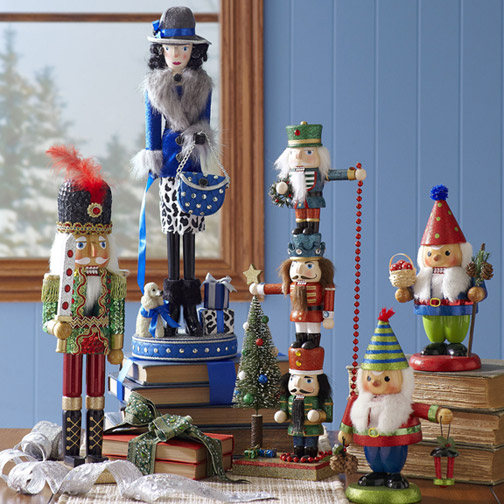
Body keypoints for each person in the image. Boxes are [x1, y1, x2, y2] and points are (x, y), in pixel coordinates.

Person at [132, 6, 215, 336]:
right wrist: (153, 157)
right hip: (169, 165)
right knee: (171, 233)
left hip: (191, 163)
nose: (177, 55)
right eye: (171, 48)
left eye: (184, 48)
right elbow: (152, 128)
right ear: (161, 50)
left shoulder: (203, 85)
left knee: (189, 231)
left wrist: (200, 136)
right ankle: (173, 300)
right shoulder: (154, 86)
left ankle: (190, 304)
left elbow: (206, 122)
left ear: (194, 50)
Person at [42, 146, 126, 466]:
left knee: (97, 395)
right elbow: (47, 317)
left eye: (100, 244)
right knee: (71, 394)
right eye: (82, 245)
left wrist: (116, 344)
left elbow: (116, 311)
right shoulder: (57, 282)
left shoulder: (112, 280)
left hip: (100, 342)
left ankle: (94, 451)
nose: (93, 253)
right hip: (73, 340)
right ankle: (70, 451)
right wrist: (55, 326)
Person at [338, 309, 453, 489]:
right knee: (373, 455)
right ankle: (376, 473)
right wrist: (345, 431)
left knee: (392, 456)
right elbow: (348, 415)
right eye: (370, 378)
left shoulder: (401, 403)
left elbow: (418, 408)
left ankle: (394, 474)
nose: (375, 383)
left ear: (402, 380)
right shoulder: (360, 401)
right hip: (370, 439)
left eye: (386, 378)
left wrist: (437, 413)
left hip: (394, 440)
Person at [393, 185, 486, 356]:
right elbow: (412, 291)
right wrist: (405, 292)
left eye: (447, 253)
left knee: (455, 330)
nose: (436, 257)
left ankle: (456, 344)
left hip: (456, 310)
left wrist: (477, 292)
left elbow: (479, 288)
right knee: (433, 329)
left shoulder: (466, 273)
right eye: (430, 253)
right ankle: (436, 344)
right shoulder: (423, 275)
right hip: (430, 310)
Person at [273, 121, 366, 235]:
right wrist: (282, 187)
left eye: (308, 152)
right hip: (298, 199)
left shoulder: (320, 172)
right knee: (300, 214)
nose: (299, 156)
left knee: (312, 214)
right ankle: (300, 227)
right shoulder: (291, 173)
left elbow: (335, 174)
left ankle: (312, 228)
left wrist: (353, 174)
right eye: (293, 152)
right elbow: (284, 184)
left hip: (314, 197)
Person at [249, 233, 334, 348]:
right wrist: (259, 288)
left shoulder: (322, 286)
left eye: (309, 266)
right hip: (298, 313)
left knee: (312, 328)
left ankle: (312, 342)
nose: (300, 271)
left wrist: (328, 317)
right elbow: (276, 288)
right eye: (294, 265)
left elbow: (329, 300)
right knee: (300, 328)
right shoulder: (292, 285)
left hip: (314, 313)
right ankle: (300, 340)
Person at [275, 347, 333, 460]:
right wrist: (283, 414)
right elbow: (285, 410)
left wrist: (318, 415)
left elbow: (328, 415)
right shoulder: (290, 398)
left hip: (312, 428)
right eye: (293, 378)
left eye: (308, 380)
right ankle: (298, 453)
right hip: (296, 428)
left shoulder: (318, 399)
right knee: (297, 446)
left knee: (310, 447)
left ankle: (310, 454)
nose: (297, 384)